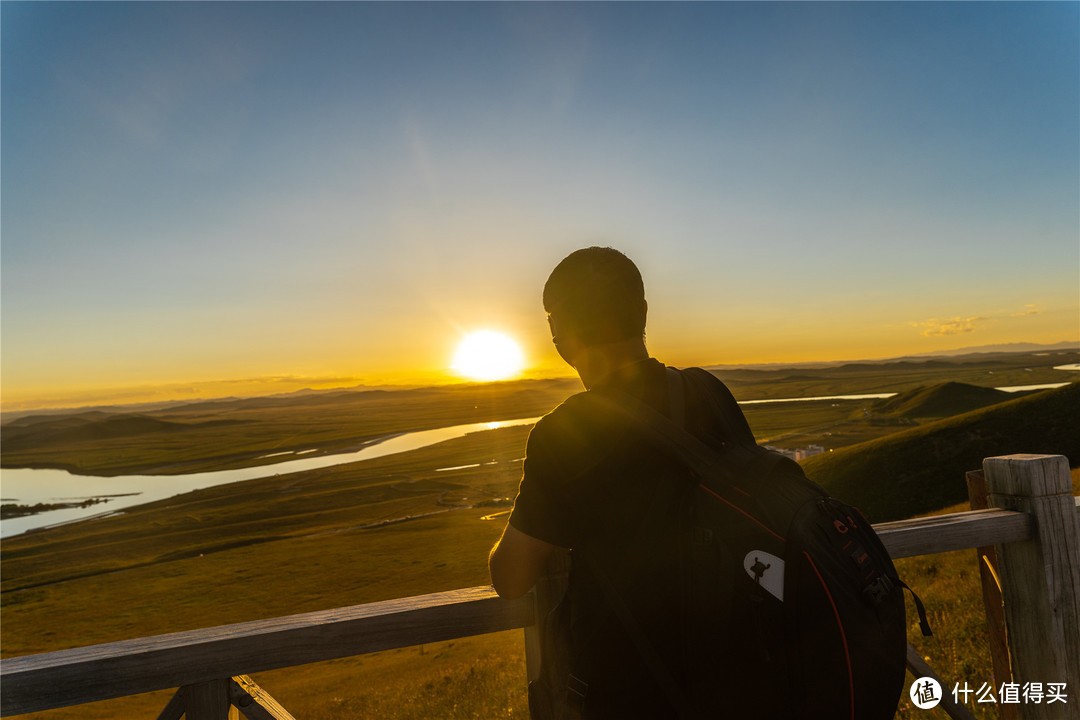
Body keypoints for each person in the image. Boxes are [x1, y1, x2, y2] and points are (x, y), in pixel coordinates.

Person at [488, 247, 760, 719]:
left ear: (560, 338)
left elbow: (510, 579)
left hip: (628, 692)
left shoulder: (564, 433)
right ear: (644, 312)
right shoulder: (708, 392)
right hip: (735, 674)